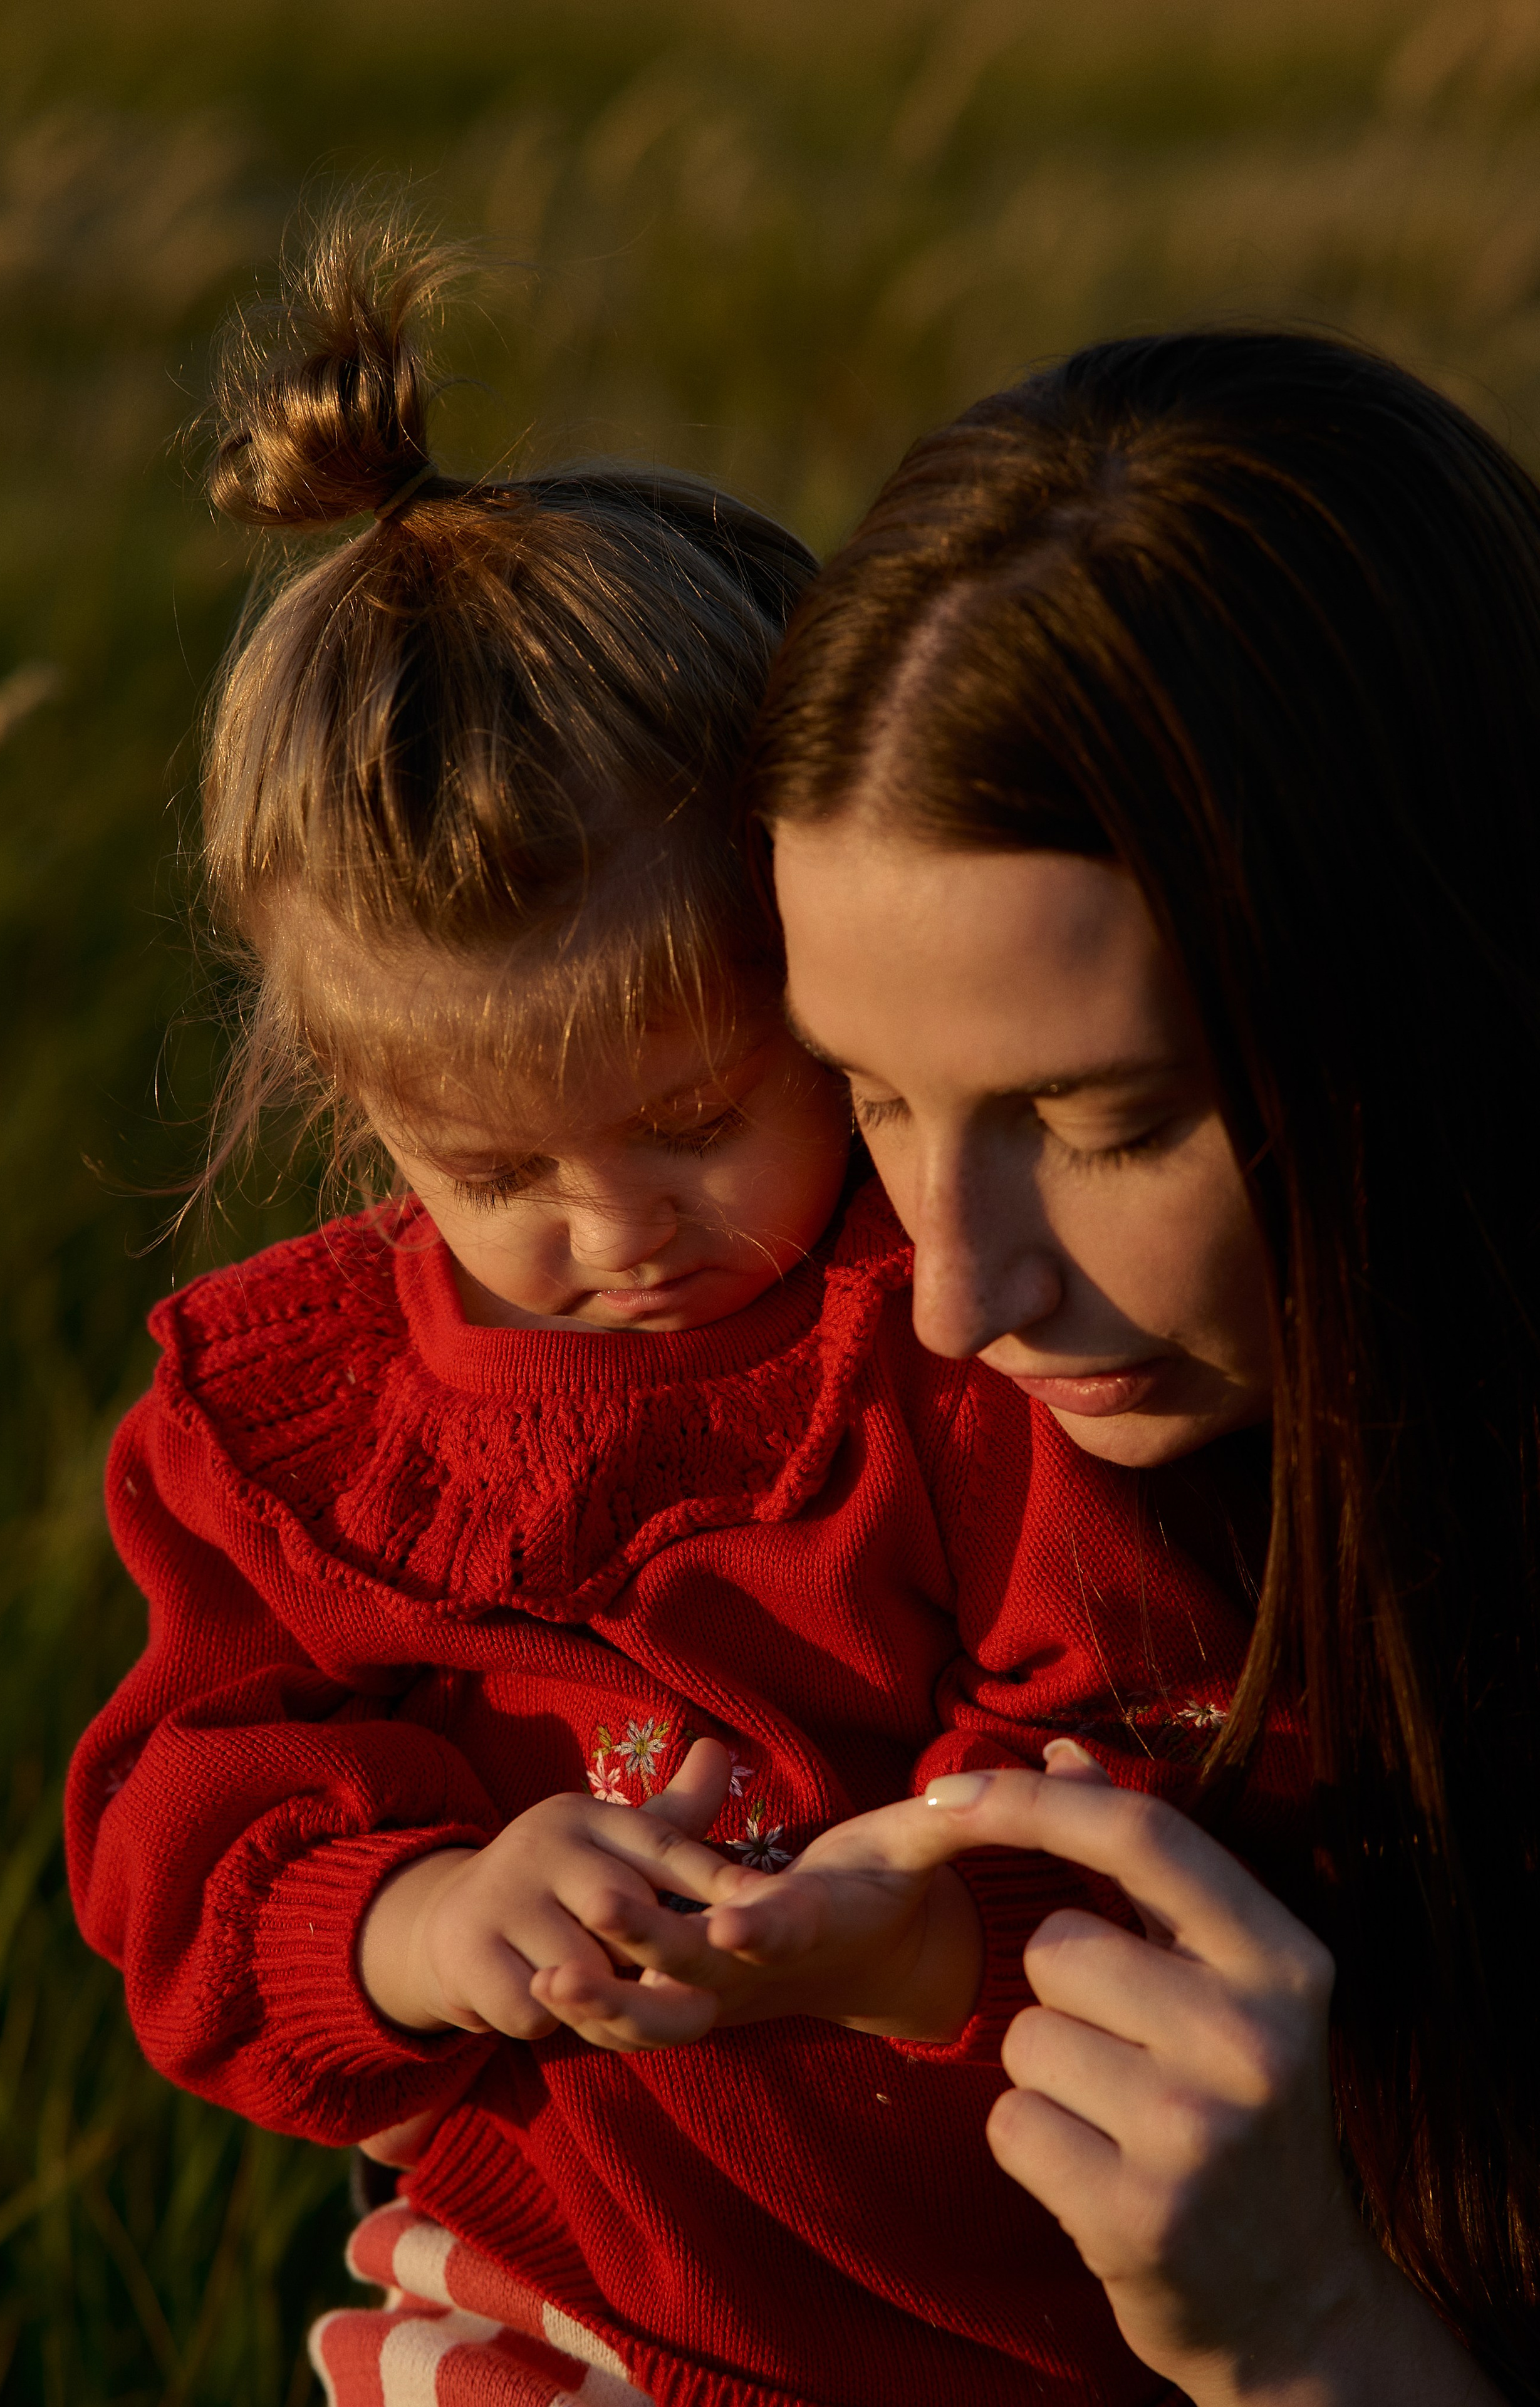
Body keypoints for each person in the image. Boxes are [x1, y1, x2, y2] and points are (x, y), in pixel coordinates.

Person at [66, 221, 1299, 2406]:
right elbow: (180, 1844)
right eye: (500, 1168)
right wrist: (424, 1920)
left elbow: (1163, 1725)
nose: (621, 1226)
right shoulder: (291, 1428)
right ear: (358, 1103)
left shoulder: (949, 1337)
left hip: (1004, 2331)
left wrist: (916, 1925)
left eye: (701, 1113)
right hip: (573, 2312)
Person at [549, 330, 1539, 2403]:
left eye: (1102, 1123)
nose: (951, 1292)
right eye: (872, 1094)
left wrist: (1313, 2335)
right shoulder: (876, 1453)